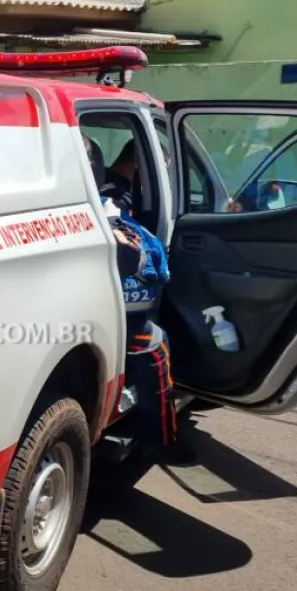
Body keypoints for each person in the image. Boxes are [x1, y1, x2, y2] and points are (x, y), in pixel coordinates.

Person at [84, 137, 196, 465]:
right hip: (111, 303)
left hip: (96, 297)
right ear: (139, 165)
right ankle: (162, 442)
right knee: (156, 348)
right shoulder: (115, 196)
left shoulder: (98, 187)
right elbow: (121, 241)